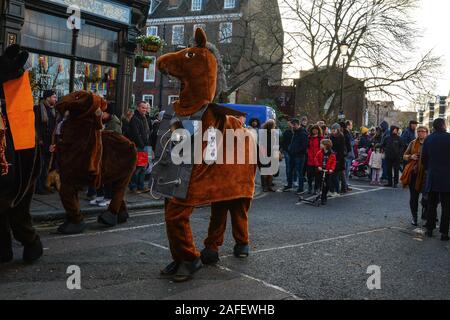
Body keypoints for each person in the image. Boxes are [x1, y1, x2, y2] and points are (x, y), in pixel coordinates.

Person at [422, 118, 450, 241]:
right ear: (443, 125)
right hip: (447, 177)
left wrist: (429, 169)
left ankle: (429, 229)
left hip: (432, 176)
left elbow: (424, 159)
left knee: (431, 204)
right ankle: (444, 233)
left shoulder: (428, 139)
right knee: (446, 207)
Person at [401, 126, 428, 227]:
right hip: (414, 173)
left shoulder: (429, 143)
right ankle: (414, 217)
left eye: (423, 131)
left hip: (426, 174)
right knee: (414, 198)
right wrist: (410, 156)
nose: (420, 133)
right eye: (419, 131)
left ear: (426, 133)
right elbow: (404, 155)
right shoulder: (412, 143)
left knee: (426, 198)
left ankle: (425, 215)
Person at [34, 89, 58, 195]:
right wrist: (39, 139)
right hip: (41, 142)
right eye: (53, 97)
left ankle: (44, 185)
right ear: (47, 98)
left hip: (50, 142)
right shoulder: (39, 108)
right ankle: (38, 188)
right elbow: (36, 125)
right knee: (41, 164)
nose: (55, 99)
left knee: (46, 165)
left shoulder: (53, 110)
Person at [128, 101, 151, 193]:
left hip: (143, 146)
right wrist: (142, 144)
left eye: (145, 108)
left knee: (143, 167)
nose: (144, 110)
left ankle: (140, 186)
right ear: (138, 108)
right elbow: (136, 134)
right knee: (138, 168)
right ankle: (134, 187)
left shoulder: (143, 118)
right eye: (142, 108)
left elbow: (146, 132)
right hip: (139, 147)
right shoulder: (135, 119)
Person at [284, 118, 308, 194]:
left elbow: (304, 145)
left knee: (299, 172)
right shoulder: (296, 132)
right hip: (293, 155)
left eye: (292, 126)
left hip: (299, 156)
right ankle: (289, 185)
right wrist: (290, 149)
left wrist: (296, 151)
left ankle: (301, 189)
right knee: (290, 171)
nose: (292, 127)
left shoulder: (303, 133)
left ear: (296, 124)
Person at [315, 139, 336, 205]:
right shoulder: (319, 152)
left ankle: (324, 196)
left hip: (327, 171)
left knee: (327, 185)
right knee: (320, 183)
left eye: (321, 144)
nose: (320, 145)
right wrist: (318, 166)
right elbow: (316, 159)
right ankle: (320, 195)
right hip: (321, 170)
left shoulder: (332, 154)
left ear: (326, 145)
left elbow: (333, 162)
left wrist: (331, 169)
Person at [260, 119, 277, 192]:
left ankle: (269, 186)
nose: (274, 126)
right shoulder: (263, 133)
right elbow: (261, 145)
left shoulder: (273, 133)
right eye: (273, 125)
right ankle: (265, 187)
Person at [330, 123, 346, 196]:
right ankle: (332, 190)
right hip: (331, 158)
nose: (333, 131)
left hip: (338, 159)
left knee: (336, 176)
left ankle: (336, 191)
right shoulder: (331, 137)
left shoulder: (341, 137)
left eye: (334, 130)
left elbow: (341, 150)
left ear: (338, 130)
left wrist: (337, 159)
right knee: (331, 176)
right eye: (332, 129)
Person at [306, 125, 322, 194]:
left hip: (318, 161)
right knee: (309, 175)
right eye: (313, 129)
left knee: (317, 176)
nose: (315, 131)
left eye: (316, 129)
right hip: (310, 160)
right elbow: (306, 147)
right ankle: (309, 187)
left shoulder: (321, 138)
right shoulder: (308, 138)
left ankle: (316, 188)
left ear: (318, 130)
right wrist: (308, 153)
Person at [281, 120, 294, 188]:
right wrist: (283, 150)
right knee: (288, 168)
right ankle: (289, 182)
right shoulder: (286, 132)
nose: (290, 126)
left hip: (294, 152)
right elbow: (283, 141)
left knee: (294, 168)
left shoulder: (296, 132)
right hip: (287, 151)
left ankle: (293, 181)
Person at [343, 120, 355, 193]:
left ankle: (346, 184)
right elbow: (349, 143)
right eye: (351, 125)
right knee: (346, 170)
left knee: (347, 170)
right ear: (347, 125)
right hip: (348, 154)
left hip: (349, 154)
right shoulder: (346, 133)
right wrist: (354, 142)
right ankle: (345, 184)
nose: (351, 126)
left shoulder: (348, 133)